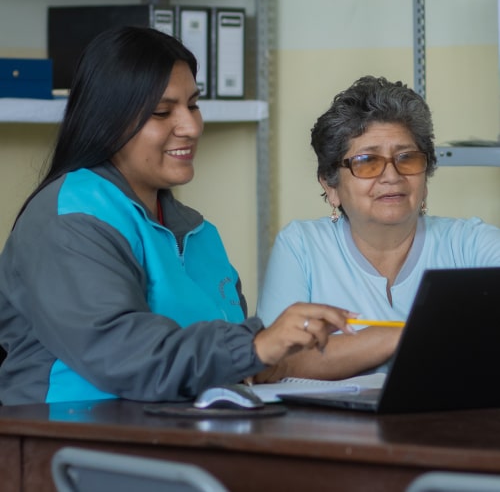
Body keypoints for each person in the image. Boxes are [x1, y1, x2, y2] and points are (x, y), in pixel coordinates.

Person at [0, 27, 355, 406]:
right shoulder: (69, 220)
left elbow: (231, 365)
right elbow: (124, 356)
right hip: (68, 444)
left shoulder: (199, 232)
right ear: (107, 119)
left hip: (182, 438)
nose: (191, 126)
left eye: (194, 105)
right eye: (163, 112)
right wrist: (255, 344)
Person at [256, 75, 500, 383]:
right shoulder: (301, 246)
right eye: (368, 161)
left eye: (406, 158)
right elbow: (273, 364)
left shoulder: (469, 243)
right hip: (327, 430)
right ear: (331, 185)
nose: (391, 176)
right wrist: (399, 337)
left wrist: (359, 345)